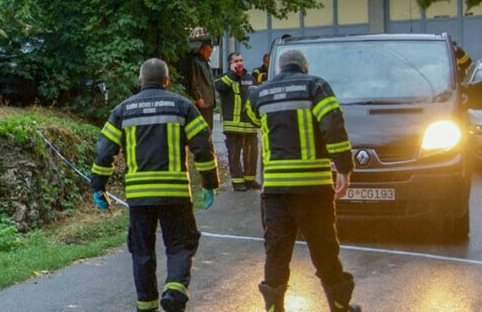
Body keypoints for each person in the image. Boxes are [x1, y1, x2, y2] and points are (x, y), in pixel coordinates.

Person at [90, 58, 219, 312]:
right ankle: (175, 289)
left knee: (142, 252)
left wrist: (98, 186)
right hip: (175, 194)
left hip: (139, 197)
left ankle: (146, 306)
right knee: (181, 245)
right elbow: (203, 146)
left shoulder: (122, 110)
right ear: (167, 80)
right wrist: (209, 183)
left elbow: (104, 151)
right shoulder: (183, 107)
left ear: (140, 81)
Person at [245, 49, 360, 312]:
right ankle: (340, 306)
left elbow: (253, 119)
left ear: (280, 69)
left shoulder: (261, 92)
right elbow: (333, 126)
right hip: (313, 188)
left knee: (276, 251)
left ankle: (274, 308)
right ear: (304, 67)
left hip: (274, 190)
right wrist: (344, 168)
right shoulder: (316, 86)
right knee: (324, 251)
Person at [216, 52, 257, 191]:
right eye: (236, 61)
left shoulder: (250, 78)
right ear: (230, 64)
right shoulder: (224, 78)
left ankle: (250, 180)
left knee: (252, 154)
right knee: (234, 155)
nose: (239, 63)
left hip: (249, 125)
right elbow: (220, 88)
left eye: (241, 60)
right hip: (233, 126)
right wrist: (232, 74)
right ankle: (238, 182)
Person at [185, 42, 216, 131]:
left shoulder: (206, 63)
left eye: (211, 53)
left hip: (209, 100)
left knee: (209, 126)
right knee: (203, 126)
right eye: (208, 52)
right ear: (202, 50)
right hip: (203, 99)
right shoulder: (196, 62)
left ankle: (208, 142)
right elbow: (194, 80)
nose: (209, 55)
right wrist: (198, 97)